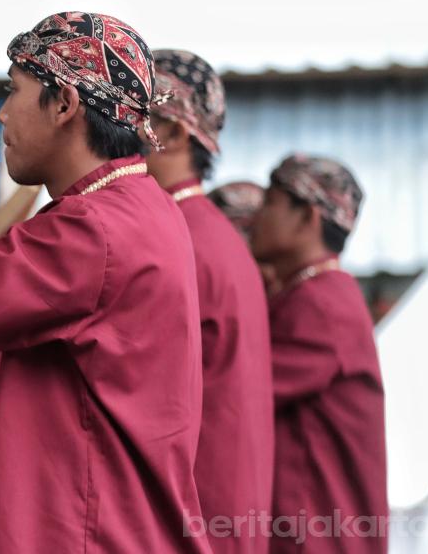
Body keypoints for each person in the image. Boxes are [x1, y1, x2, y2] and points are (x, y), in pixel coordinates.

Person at [0, 12, 209, 553]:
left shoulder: (94, 230)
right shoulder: (143, 207)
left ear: (64, 105)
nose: (2, 115)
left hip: (88, 535)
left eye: (14, 91)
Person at [148, 49, 273, 552]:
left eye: (133, 116)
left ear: (176, 134)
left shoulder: (176, 235)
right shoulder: (204, 230)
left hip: (199, 519)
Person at [249, 155, 387, 553]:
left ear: (308, 217)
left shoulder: (322, 305)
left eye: (270, 203)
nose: (257, 216)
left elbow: (239, 389)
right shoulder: (312, 294)